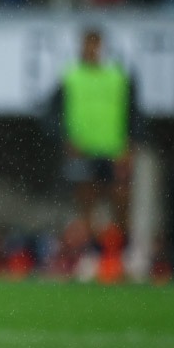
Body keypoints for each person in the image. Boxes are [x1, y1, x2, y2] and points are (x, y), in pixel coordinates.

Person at [47, 27, 143, 274]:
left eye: (96, 44)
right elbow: (49, 112)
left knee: (121, 201)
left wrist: (131, 143)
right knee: (86, 202)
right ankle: (90, 255)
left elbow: (134, 112)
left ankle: (121, 254)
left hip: (114, 150)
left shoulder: (118, 76)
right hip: (83, 150)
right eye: (87, 44)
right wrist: (65, 137)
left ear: (103, 46)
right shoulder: (71, 75)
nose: (92, 49)